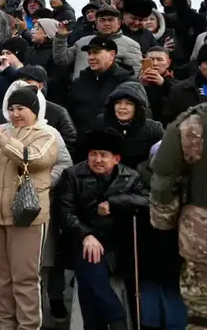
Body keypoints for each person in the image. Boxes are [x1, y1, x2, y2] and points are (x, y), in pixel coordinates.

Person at [0, 85, 58, 330]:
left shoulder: (46, 134)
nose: (15, 114)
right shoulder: (0, 130)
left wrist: (1, 138)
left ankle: (28, 327)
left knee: (25, 279)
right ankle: (4, 324)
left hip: (26, 216)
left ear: (35, 111)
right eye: (12, 108)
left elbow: (32, 159)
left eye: (22, 108)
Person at [56, 129, 149, 330]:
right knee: (92, 266)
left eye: (103, 155)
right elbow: (65, 211)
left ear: (116, 158)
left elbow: (147, 201)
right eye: (93, 154)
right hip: (83, 242)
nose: (97, 159)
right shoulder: (73, 175)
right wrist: (86, 234)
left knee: (90, 290)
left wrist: (115, 202)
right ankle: (118, 322)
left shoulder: (130, 177)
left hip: (119, 244)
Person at [149, 104, 207, 329]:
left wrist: (163, 225)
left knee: (201, 314)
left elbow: (164, 184)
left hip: (201, 234)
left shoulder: (194, 124)